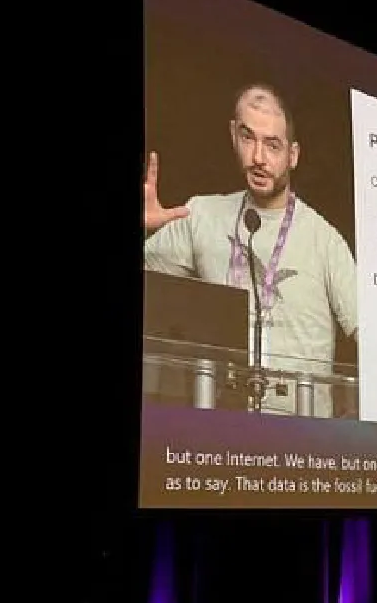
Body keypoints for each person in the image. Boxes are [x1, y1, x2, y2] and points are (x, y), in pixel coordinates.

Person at [143, 83, 357, 417]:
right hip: (220, 431)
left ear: (293, 155)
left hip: (304, 442)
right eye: (248, 138)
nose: (258, 158)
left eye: (273, 145)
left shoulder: (324, 240)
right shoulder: (199, 216)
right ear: (233, 135)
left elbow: (375, 343)